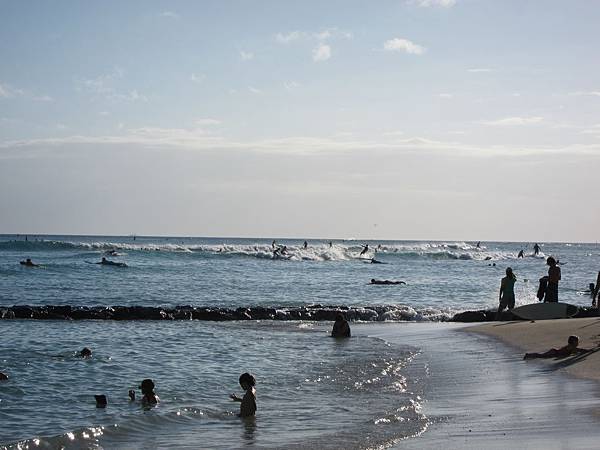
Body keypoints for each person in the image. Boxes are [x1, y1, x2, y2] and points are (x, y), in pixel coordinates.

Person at [524, 335, 594, 359]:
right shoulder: (571, 347)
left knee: (541, 356)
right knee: (541, 356)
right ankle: (528, 355)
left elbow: (577, 352)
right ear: (573, 342)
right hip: (554, 352)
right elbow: (580, 350)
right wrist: (589, 351)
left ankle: (529, 355)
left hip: (555, 352)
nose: (578, 343)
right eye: (577, 341)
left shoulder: (571, 347)